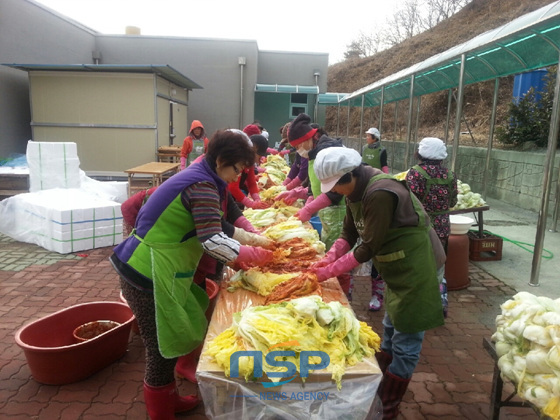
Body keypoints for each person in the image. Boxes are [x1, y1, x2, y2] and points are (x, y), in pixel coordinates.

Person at [110, 130, 274, 419]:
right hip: (144, 271)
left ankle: (169, 398)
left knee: (170, 340)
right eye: (237, 169)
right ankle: (161, 410)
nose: (238, 177)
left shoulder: (207, 176)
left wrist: (253, 239)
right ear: (222, 159)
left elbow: (217, 224)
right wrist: (249, 255)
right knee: (160, 348)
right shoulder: (201, 184)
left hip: (162, 267)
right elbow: (211, 239)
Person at [309, 147, 445, 420]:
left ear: (350, 175)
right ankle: (379, 386)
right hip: (397, 265)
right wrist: (328, 258)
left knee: (407, 336)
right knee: (390, 326)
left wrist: (327, 272)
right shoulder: (355, 191)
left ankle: (389, 405)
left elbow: (367, 247)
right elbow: (350, 232)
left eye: (337, 186)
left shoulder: (380, 192)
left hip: (418, 265)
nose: (336, 192)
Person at [275, 113, 351, 296]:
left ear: (308, 138)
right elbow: (315, 186)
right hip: (327, 214)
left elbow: (334, 192)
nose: (299, 150)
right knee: (329, 256)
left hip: (338, 212)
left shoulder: (328, 152)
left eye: (299, 145)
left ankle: (342, 295)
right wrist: (298, 194)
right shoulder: (313, 152)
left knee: (339, 263)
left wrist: (309, 208)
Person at [406, 137, 458, 317]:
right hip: (442, 227)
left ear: (420, 153)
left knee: (418, 264)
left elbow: (409, 202)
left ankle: (418, 304)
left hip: (421, 227)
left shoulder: (416, 173)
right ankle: (439, 304)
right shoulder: (450, 175)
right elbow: (453, 201)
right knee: (438, 265)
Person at [361, 127, 389, 312]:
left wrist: (386, 177)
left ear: (375, 137)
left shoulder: (382, 150)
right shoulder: (365, 148)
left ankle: (378, 295)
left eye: (369, 136)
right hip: (368, 184)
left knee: (378, 259)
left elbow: (384, 166)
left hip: (378, 183)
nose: (367, 138)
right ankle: (376, 294)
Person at [227, 126, 269, 210]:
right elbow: (232, 187)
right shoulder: (239, 160)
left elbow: (252, 183)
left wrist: (257, 200)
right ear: (254, 149)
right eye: (259, 156)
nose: (259, 160)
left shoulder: (249, 162)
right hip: (227, 196)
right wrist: (251, 204)